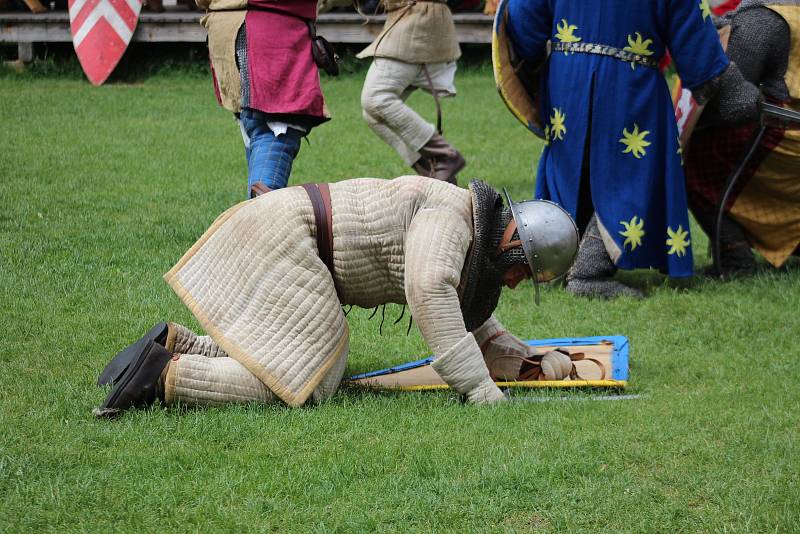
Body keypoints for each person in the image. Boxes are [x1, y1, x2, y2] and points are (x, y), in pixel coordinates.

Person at [93, 176, 579, 416]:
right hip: (294, 238)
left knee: (284, 358)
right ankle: (162, 377)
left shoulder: (468, 221)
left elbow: (464, 308)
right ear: (515, 243)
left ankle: (181, 344)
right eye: (524, 273)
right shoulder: (451, 218)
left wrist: (523, 360)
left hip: (294, 232)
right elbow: (430, 289)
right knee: (311, 382)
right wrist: (478, 389)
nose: (515, 283)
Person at [497, 0, 758, 298]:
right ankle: (588, 271)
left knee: (573, 167)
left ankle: (558, 254)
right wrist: (726, 84)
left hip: (566, 77)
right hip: (629, 81)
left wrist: (536, 61)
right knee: (631, 176)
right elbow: (691, 31)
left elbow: (523, 17)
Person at [683, 0, 800, 275]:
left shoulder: (763, 19)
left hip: (785, 141)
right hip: (789, 135)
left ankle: (733, 255)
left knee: (687, 156)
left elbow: (728, 98)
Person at [199, 0, 329, 198]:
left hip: (227, 30)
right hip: (270, 33)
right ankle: (258, 224)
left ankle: (253, 221)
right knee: (274, 129)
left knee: (256, 123)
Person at [356, 0, 466, 184]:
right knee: (373, 114)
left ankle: (445, 156)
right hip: (410, 19)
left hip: (418, 21)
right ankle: (433, 173)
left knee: (376, 97)